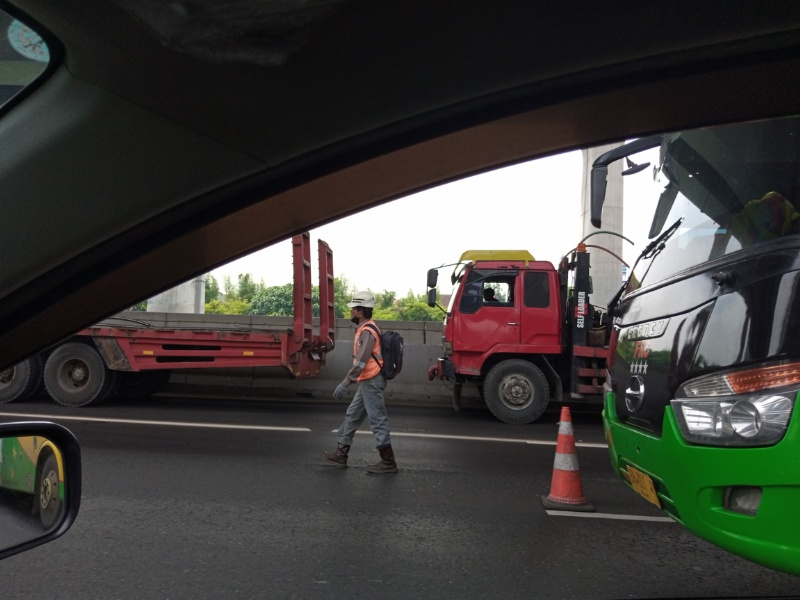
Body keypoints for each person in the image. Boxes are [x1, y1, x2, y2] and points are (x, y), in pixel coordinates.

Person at [320, 290, 398, 474]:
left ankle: (388, 462)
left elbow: (362, 361)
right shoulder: (365, 329)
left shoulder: (368, 332)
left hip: (372, 380)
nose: (351, 312)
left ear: (360, 311)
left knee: (377, 419)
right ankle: (341, 454)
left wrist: (346, 382)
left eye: (353, 309)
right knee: (352, 415)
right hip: (367, 381)